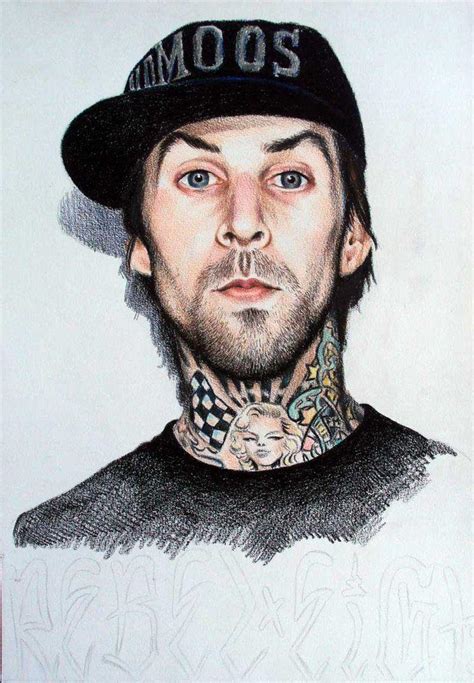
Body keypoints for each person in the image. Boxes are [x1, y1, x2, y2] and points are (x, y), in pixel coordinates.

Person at [14, 19, 455, 562]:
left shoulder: (450, 508)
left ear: (352, 238)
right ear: (141, 244)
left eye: (289, 177)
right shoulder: (57, 549)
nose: (244, 223)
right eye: (198, 177)